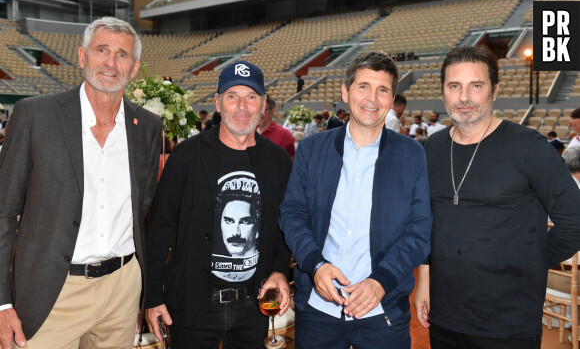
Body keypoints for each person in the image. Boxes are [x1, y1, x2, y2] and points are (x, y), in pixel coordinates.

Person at [0, 16, 162, 349]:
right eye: (102, 50)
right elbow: (3, 213)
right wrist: (2, 303)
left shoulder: (147, 127)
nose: (110, 62)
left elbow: (143, 208)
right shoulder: (34, 116)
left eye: (122, 55)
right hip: (51, 292)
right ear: (82, 56)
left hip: (121, 290)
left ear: (134, 69)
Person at [415, 45, 580, 349]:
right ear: (443, 92)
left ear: (494, 90)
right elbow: (425, 221)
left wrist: (531, 259)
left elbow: (575, 222)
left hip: (509, 322)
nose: (464, 97)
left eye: (475, 85)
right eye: (455, 86)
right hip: (444, 315)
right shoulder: (431, 148)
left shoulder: (529, 147)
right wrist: (424, 279)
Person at [279, 52, 432, 349]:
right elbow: (292, 213)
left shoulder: (411, 155)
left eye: (382, 90)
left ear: (392, 99)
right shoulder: (311, 150)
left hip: (382, 310)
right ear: (345, 92)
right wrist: (316, 264)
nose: (371, 99)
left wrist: (381, 282)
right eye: (363, 87)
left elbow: (419, 230)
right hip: (318, 310)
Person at [145, 60, 292, 348]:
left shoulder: (278, 161)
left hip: (255, 306)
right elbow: (159, 230)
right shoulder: (187, 156)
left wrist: (279, 271)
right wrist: (152, 297)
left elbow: (283, 228)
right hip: (192, 305)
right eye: (232, 96)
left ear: (263, 106)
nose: (242, 106)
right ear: (217, 102)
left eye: (251, 97)